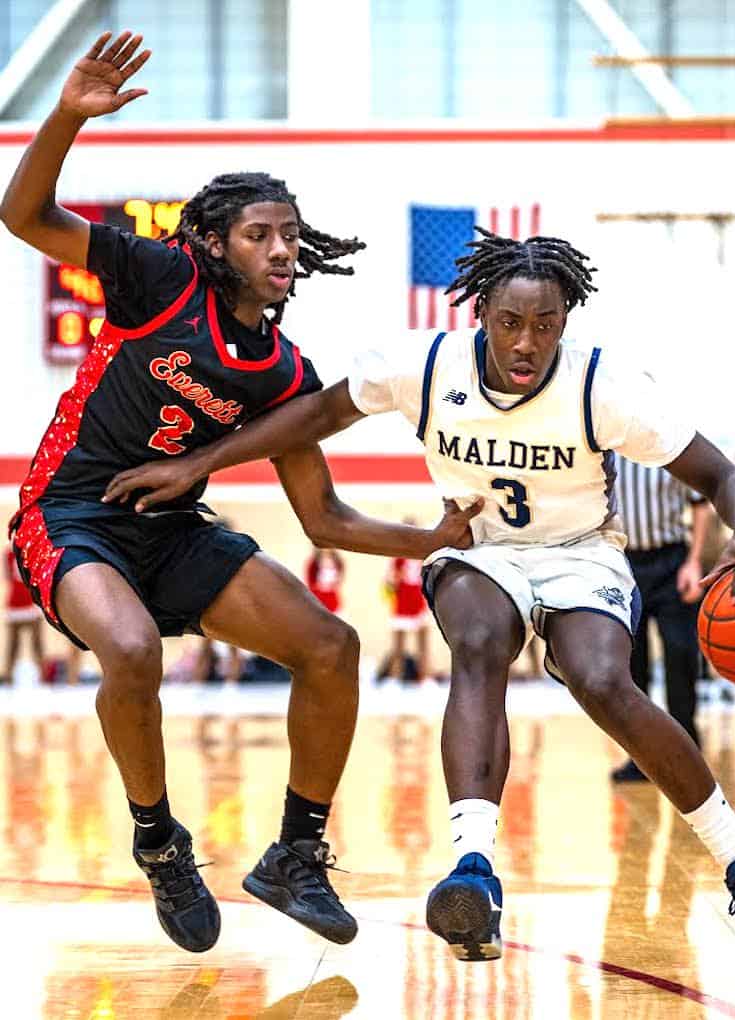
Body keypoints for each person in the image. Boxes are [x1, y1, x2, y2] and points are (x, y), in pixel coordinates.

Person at [103, 227, 735, 975]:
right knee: (478, 643)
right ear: (482, 314)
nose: (526, 341)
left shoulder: (605, 385)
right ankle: (473, 869)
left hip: (580, 553)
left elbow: (722, 475)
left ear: (567, 319)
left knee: (604, 682)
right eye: (510, 322)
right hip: (480, 549)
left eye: (544, 324)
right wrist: (202, 462)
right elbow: (309, 419)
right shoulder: (424, 366)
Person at [0, 31, 480, 955]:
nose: (282, 248)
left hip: (172, 529)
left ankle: (296, 854)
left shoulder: (286, 372)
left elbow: (325, 519)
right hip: (69, 512)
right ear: (215, 244)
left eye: (290, 235)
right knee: (132, 649)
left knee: (332, 646)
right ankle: (159, 840)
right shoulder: (160, 278)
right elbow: (23, 215)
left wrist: (433, 537)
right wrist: (66, 114)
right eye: (260, 233)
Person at [610, 456, 714, 782]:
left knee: (681, 657)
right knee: (632, 668)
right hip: (625, 564)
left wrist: (694, 562)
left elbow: (700, 505)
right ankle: (642, 758)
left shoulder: (667, 450)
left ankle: (687, 753)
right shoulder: (606, 453)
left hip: (672, 561)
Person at [378, 527, 432, 683]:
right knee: (398, 645)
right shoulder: (397, 558)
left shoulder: (424, 556)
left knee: (423, 643)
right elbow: (388, 582)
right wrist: (394, 580)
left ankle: (425, 677)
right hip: (402, 602)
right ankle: (395, 677)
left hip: (418, 601)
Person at [3, 545, 45, 684]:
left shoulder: (33, 551)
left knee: (37, 643)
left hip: (31, 602)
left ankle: (43, 676)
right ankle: (8, 676)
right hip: (15, 603)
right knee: (13, 644)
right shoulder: (8, 554)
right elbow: (8, 576)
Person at [305, 546, 345, 614]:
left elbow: (339, 580)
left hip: (332, 599)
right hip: (317, 598)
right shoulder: (313, 563)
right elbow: (310, 582)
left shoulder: (338, 562)